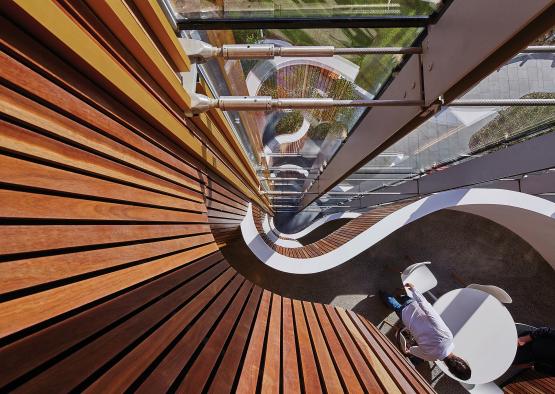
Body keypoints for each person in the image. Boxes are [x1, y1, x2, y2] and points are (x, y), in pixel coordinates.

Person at [380, 283, 472, 381]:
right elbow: (413, 350)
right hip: (405, 317)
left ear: (462, 359)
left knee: (406, 299)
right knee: (395, 306)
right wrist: (410, 350)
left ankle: (400, 296)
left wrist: (414, 290)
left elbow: (429, 310)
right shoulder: (431, 357)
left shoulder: (448, 336)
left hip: (415, 307)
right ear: (449, 369)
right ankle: (383, 294)